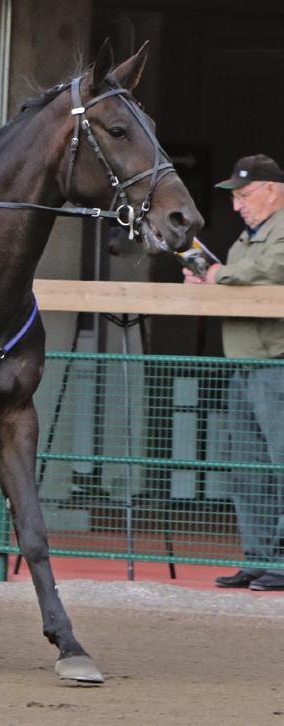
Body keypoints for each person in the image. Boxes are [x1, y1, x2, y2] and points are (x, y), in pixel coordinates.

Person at [183, 154, 284, 591]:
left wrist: (220, 276)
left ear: (271, 190)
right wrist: (208, 284)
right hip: (243, 363)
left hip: (275, 363)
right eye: (235, 196)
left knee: (279, 467)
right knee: (247, 469)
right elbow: (244, 279)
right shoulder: (248, 238)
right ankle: (259, 558)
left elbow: (274, 270)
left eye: (244, 195)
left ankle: (279, 561)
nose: (237, 205)